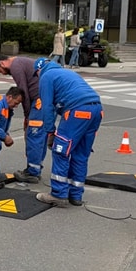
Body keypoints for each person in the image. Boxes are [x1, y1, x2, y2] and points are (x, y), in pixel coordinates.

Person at [33, 58, 103, 208]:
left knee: (61, 151)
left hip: (78, 111)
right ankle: (75, 195)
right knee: (80, 154)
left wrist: (50, 132)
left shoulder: (46, 76)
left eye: (36, 74)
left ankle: (58, 194)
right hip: (97, 110)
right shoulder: (66, 73)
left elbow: (47, 107)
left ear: (39, 70)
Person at [0, 53, 47, 183]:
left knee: (33, 134)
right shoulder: (22, 62)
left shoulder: (16, 66)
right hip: (46, 100)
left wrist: (27, 115)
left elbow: (23, 92)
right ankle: (36, 168)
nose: (3, 74)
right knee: (40, 135)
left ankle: (32, 172)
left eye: (1, 71)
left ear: (3, 63)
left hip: (39, 101)